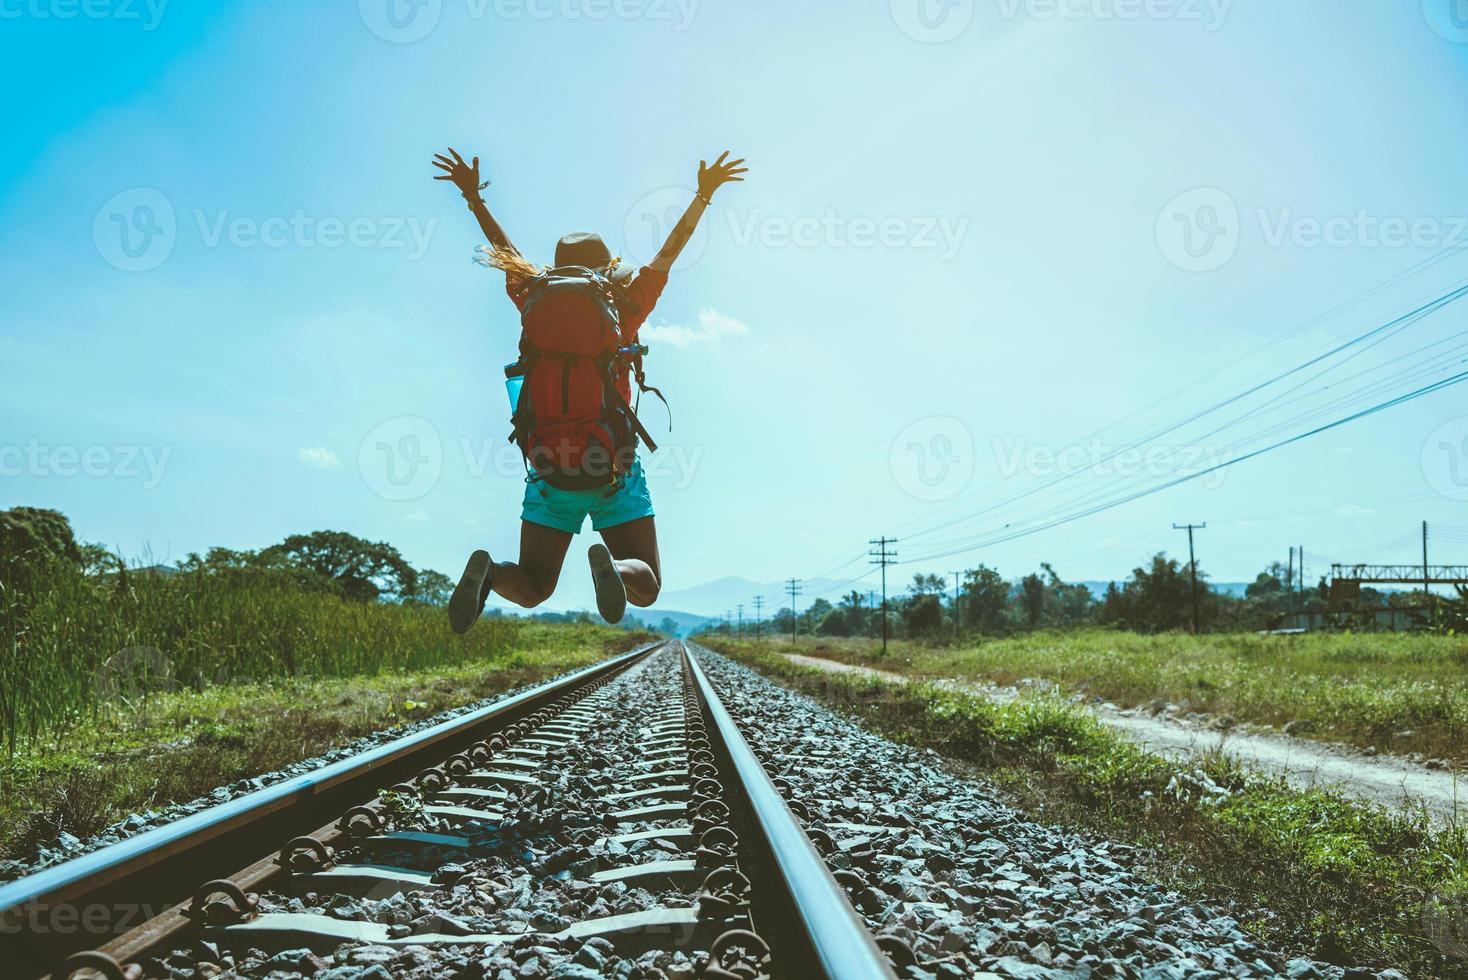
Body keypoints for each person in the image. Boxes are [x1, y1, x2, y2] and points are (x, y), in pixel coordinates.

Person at [431, 146, 747, 632]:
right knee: (649, 585)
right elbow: (669, 251)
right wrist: (703, 196)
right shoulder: (626, 301)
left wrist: (474, 197)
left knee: (535, 586)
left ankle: (490, 574)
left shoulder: (531, 293)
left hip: (548, 467)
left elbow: (505, 251)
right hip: (611, 466)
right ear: (607, 267)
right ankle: (617, 572)